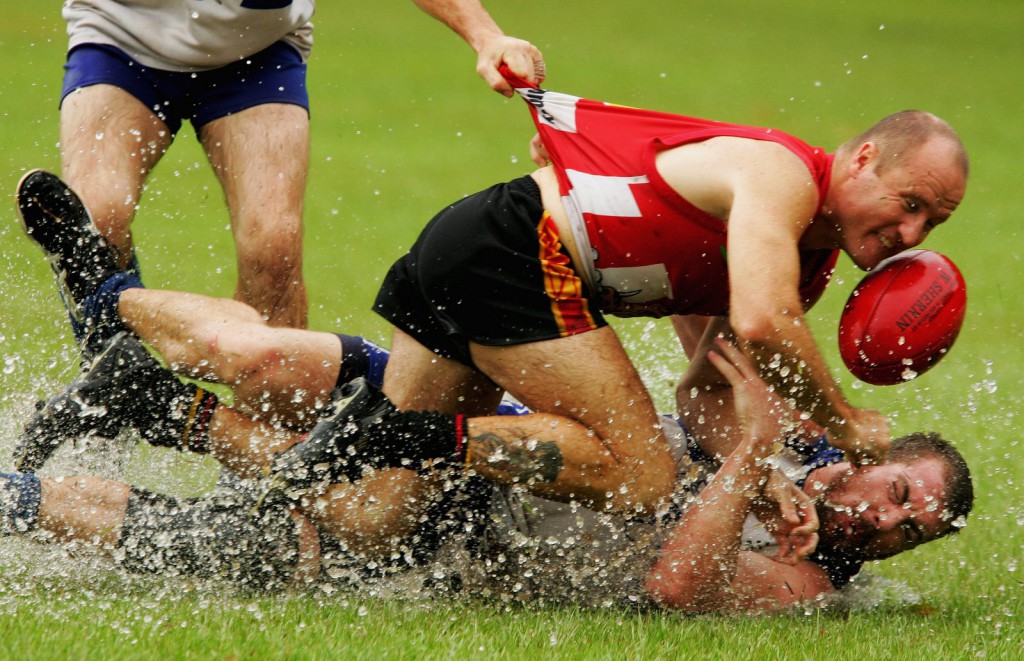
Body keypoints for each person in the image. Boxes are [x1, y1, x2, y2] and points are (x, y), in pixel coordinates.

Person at [265, 68, 969, 523]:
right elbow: (761, 322)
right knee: (643, 477)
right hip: (513, 250)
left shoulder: (803, 264)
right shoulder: (783, 177)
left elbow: (707, 393)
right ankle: (383, 430)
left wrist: (759, 485)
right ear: (865, 157)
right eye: (910, 202)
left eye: (932, 222)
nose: (912, 231)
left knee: (383, 521)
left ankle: (224, 509)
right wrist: (844, 423)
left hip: (479, 248)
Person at [2, 327, 973, 611]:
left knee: (257, 531)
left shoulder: (809, 583)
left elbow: (681, 580)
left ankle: (62, 463)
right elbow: (707, 372)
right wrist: (758, 452)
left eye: (911, 530)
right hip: (500, 433)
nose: (890, 522)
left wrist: (748, 463)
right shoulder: (791, 455)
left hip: (465, 537)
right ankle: (127, 345)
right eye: (898, 495)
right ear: (869, 463)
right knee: (295, 384)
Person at [52, 0, 545, 329]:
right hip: (117, 40)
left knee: (273, 248)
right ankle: (113, 382)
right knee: (95, 220)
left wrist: (486, 37)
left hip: (258, 52)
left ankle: (274, 446)